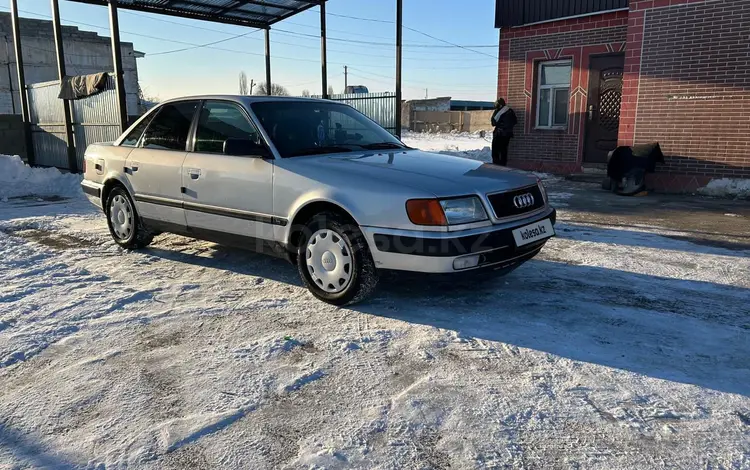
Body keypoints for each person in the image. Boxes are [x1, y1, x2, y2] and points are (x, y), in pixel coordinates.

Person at [490, 98, 517, 166]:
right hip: (507, 134)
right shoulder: (510, 111)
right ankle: (503, 165)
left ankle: (497, 166)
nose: (496, 105)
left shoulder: (499, 111)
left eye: (497, 104)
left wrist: (501, 125)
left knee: (495, 151)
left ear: (500, 105)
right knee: (503, 151)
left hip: (500, 134)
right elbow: (515, 121)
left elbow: (493, 122)